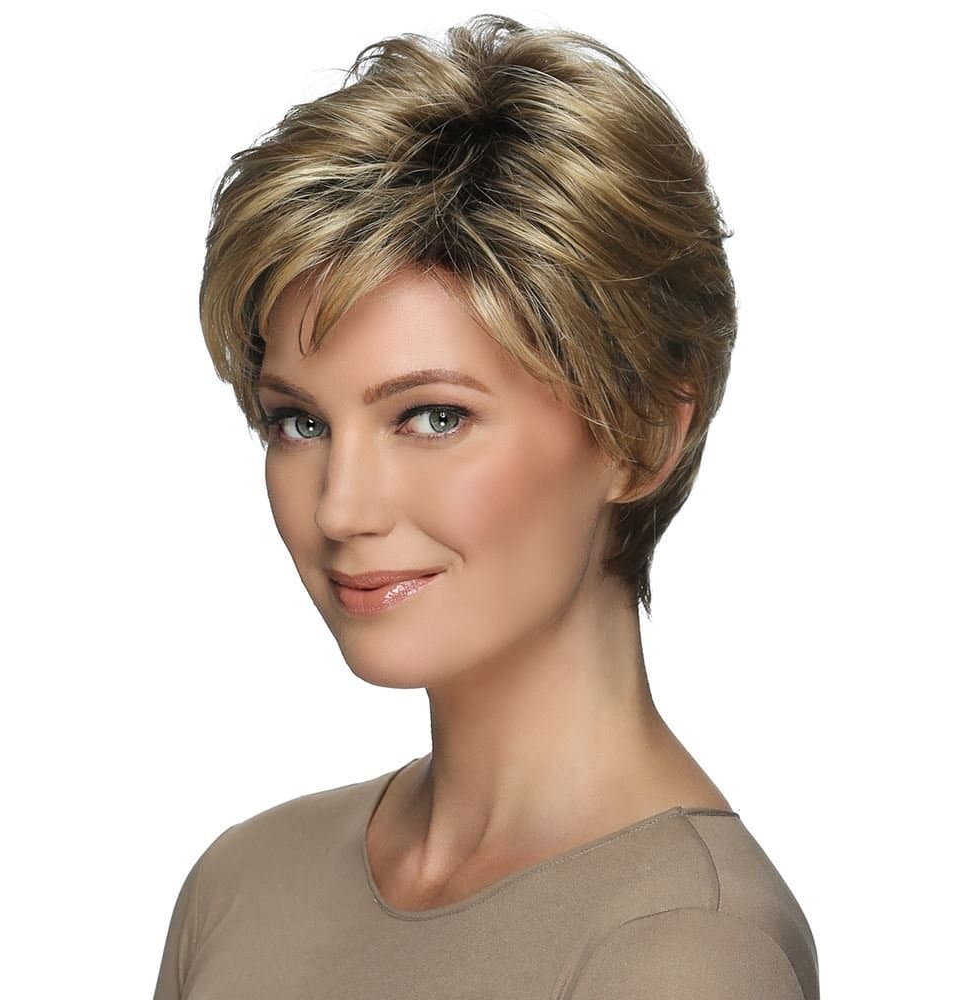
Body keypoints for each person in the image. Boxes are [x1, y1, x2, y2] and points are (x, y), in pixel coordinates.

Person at [153, 13, 818, 999]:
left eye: (432, 416)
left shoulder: (683, 951)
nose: (340, 508)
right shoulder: (242, 884)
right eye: (300, 422)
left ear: (640, 433)